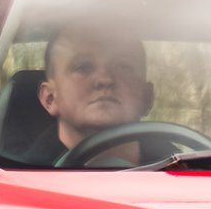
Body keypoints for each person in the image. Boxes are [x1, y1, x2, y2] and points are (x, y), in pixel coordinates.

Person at [37, 29, 155, 162]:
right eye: (83, 67)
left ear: (147, 97)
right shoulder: (19, 176)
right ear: (50, 98)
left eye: (123, 66)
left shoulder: (180, 170)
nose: (105, 79)